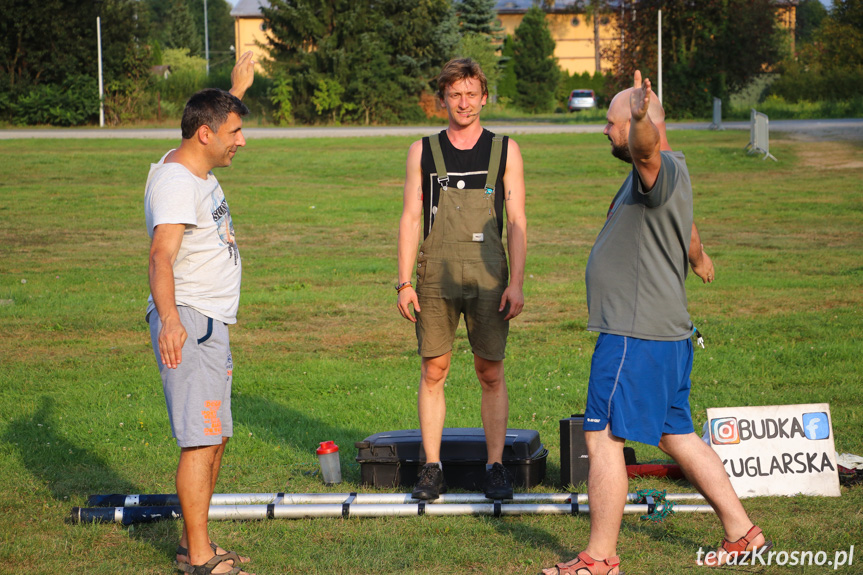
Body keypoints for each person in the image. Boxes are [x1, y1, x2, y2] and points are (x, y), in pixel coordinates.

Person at [542, 72, 772, 575]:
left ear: (640, 126)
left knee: (602, 438)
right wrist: (698, 254)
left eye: (611, 123)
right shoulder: (666, 177)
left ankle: (600, 558)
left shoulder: (656, 163)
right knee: (678, 435)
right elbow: (683, 221)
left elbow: (646, 149)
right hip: (667, 334)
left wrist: (642, 121)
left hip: (634, 333)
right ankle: (743, 532)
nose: (604, 131)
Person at [145, 52, 256, 575]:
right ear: (205, 135)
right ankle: (200, 558)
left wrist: (236, 88)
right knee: (200, 439)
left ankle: (199, 543)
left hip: (209, 322)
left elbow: (216, 115)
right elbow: (160, 256)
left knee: (216, 436)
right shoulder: (176, 183)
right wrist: (170, 320)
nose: (241, 140)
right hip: (189, 321)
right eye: (234, 131)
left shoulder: (196, 157)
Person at [397, 58, 527, 501]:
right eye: (455, 95)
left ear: (484, 97)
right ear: (442, 100)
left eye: (472, 94)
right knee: (434, 368)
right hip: (435, 276)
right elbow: (411, 217)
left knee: (490, 370)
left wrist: (517, 283)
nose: (464, 103)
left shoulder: (505, 150)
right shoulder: (423, 150)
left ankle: (494, 467)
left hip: (490, 277)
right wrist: (403, 281)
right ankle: (431, 468)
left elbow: (518, 220)